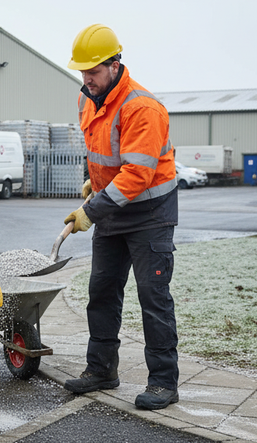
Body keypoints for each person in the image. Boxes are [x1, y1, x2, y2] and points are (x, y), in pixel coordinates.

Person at [63, 24, 180, 410]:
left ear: (115, 64)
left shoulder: (141, 107)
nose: (87, 80)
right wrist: (91, 182)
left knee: (153, 297)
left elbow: (137, 173)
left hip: (149, 214)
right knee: (102, 292)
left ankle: (163, 382)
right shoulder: (89, 99)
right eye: (82, 72)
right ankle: (101, 370)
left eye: (93, 72)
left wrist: (89, 211)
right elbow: (98, 149)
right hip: (113, 209)